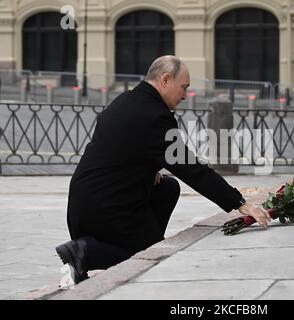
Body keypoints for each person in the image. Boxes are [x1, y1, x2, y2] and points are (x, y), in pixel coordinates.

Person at [55, 55, 271, 284]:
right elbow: (191, 169)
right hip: (107, 210)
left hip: (83, 203)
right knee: (150, 256)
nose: (185, 96)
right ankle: (83, 252)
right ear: (165, 79)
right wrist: (239, 203)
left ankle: (140, 241)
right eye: (184, 88)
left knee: (167, 187)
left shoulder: (125, 100)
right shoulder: (155, 116)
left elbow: (121, 145)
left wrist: (147, 168)